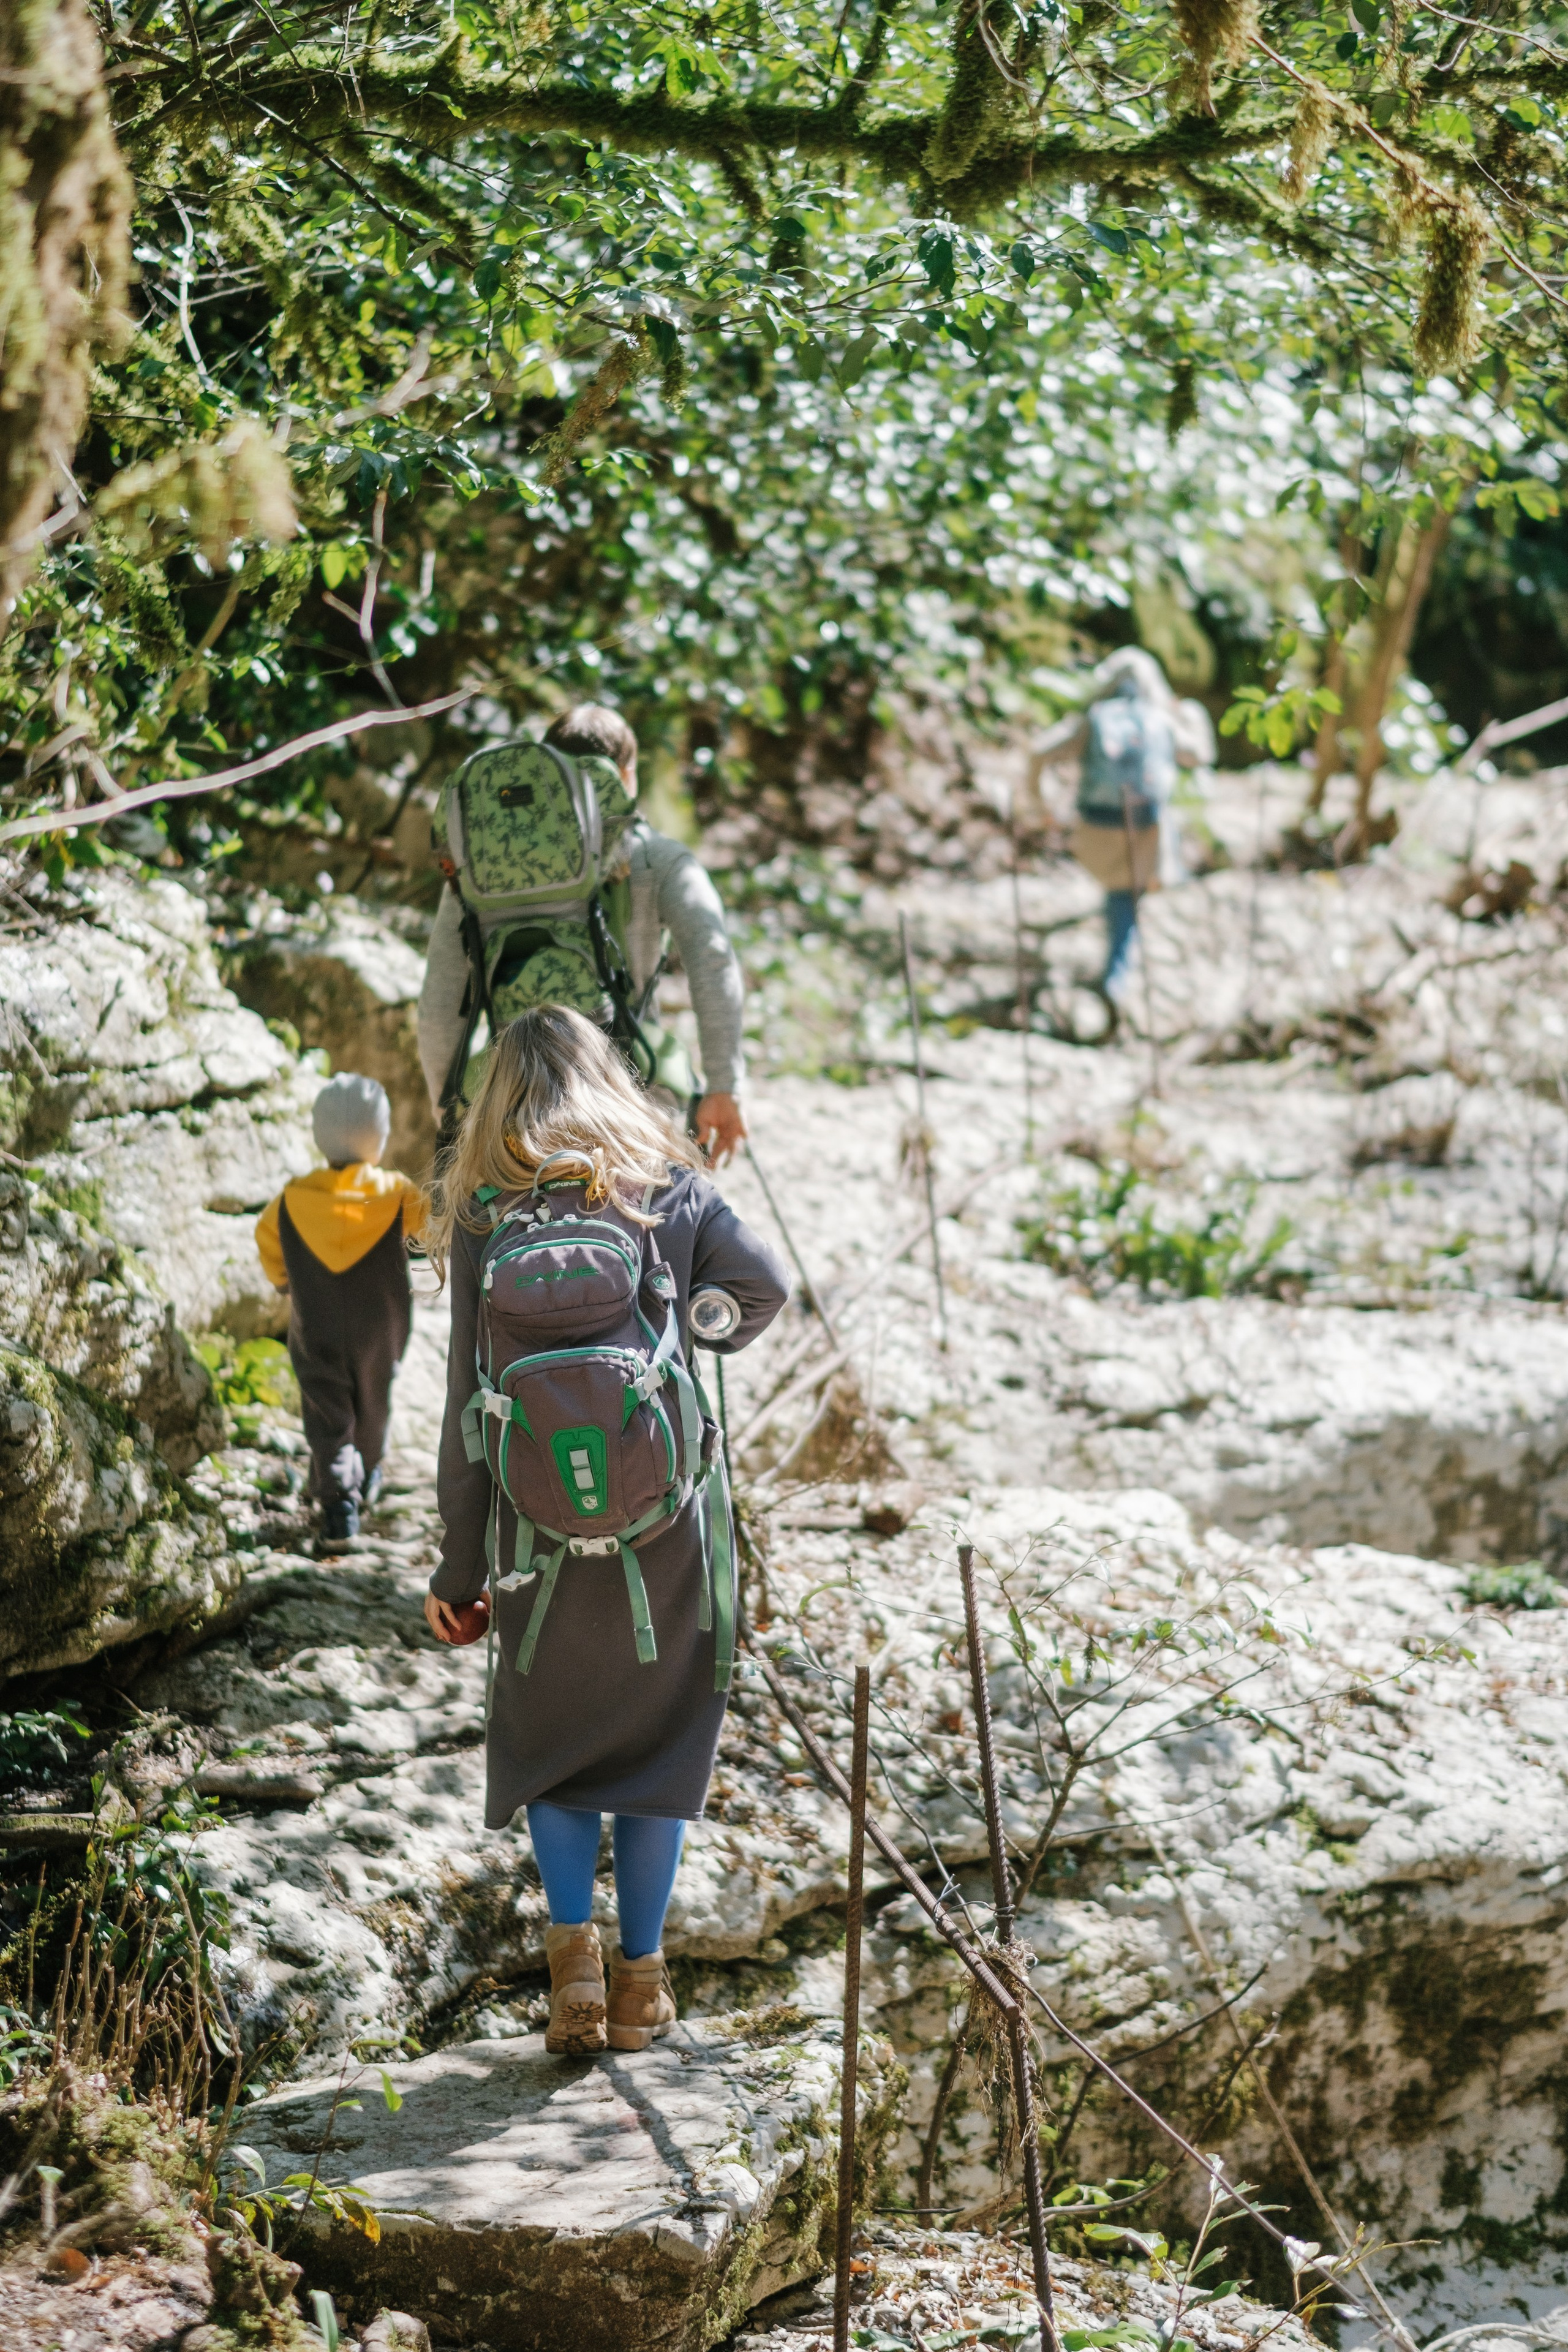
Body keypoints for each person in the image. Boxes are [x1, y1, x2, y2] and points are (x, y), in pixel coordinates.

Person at [421, 1005, 788, 2056]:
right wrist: (702, 1323)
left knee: (558, 1749)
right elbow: (762, 1286)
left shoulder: (489, 1215)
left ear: (499, 1101)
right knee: (660, 1742)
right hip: (670, 1535)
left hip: (537, 1547)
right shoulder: (664, 1189)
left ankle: (572, 1974)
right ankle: (642, 1986)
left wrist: (459, 1564)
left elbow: (466, 1408)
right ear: (609, 1083)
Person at [417, 703, 749, 1166]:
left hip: (514, 1097)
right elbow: (713, 960)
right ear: (626, 778)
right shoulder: (658, 858)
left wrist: (448, 1108)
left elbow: (438, 1004)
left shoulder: (483, 875)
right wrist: (722, 1085)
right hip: (632, 1089)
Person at [255, 1073, 427, 1547]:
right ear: (381, 1136)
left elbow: (267, 1240)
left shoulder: (292, 1199)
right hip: (383, 1325)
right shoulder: (395, 1191)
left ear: (318, 1134)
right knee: (375, 1400)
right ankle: (367, 1471)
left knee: (326, 1409)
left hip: (318, 1323)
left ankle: (338, 1509)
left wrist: (283, 1280)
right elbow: (429, 1224)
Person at [1029, 648, 1212, 1012]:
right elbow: (1200, 755)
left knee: (1118, 892)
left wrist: (1041, 804)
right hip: (1146, 827)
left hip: (1096, 824)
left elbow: (1038, 753)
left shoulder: (1093, 718)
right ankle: (1116, 978)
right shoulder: (1161, 718)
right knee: (1126, 895)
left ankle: (1112, 965)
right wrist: (1190, 716)